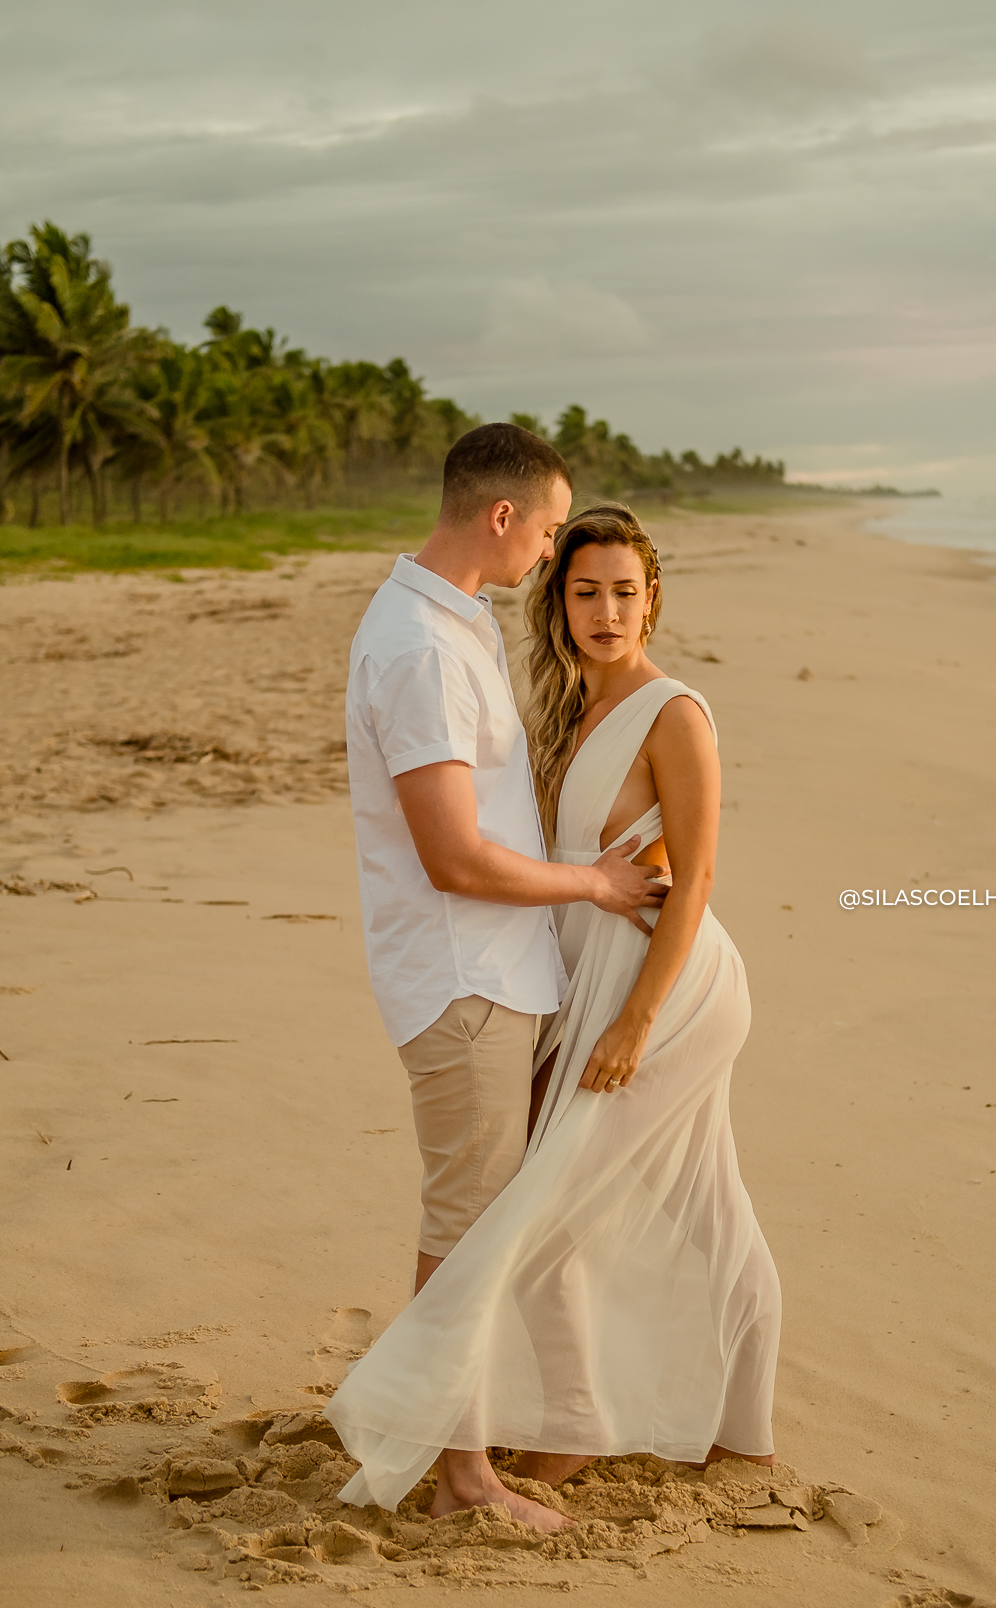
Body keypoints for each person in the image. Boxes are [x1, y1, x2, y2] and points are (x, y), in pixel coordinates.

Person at [327, 503, 782, 1529]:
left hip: (666, 990)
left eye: (625, 591)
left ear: (652, 597)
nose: (606, 612)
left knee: (579, 1200)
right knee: (684, 1203)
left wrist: (633, 1022)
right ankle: (664, 1420)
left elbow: (697, 878)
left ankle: (660, 1425)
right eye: (585, 591)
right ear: (559, 602)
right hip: (590, 981)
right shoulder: (570, 710)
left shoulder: (675, 713)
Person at [341, 428, 668, 1533]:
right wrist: (594, 885)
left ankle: (522, 1427)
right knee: (465, 1226)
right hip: (464, 980)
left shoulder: (456, 623)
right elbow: (452, 855)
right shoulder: (421, 651)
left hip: (499, 976)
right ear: (499, 517)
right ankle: (461, 1475)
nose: (543, 552)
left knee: (488, 1218)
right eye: (543, 528)